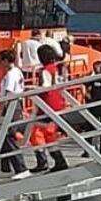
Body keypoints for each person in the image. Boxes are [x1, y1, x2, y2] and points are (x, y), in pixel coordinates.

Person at [31, 44, 69, 173]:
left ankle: (44, 161)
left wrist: (33, 89)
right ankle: (58, 160)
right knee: (49, 134)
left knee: (36, 132)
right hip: (58, 104)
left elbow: (46, 88)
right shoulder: (58, 68)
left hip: (48, 105)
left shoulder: (45, 71)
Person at [0, 49, 29, 179]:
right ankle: (5, 167)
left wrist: (0, 112)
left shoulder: (11, 74)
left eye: (0, 61)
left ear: (5, 61)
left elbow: (9, 95)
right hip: (16, 104)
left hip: (12, 105)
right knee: (2, 136)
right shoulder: (17, 72)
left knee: (9, 136)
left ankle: (21, 168)